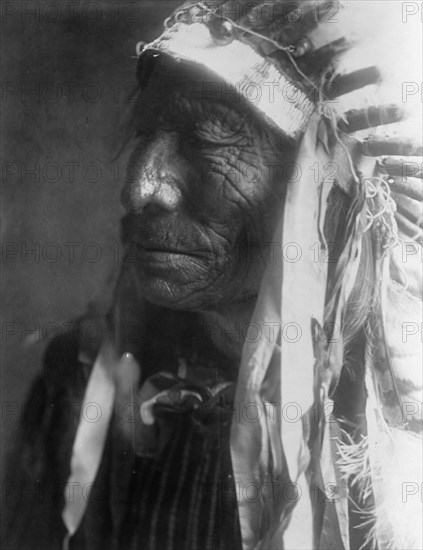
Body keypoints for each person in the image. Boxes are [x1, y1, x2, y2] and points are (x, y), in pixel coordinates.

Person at [3, 1, 422, 549]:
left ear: (337, 196)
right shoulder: (85, 387)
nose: (140, 188)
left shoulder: (398, 452)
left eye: (207, 141)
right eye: (147, 130)